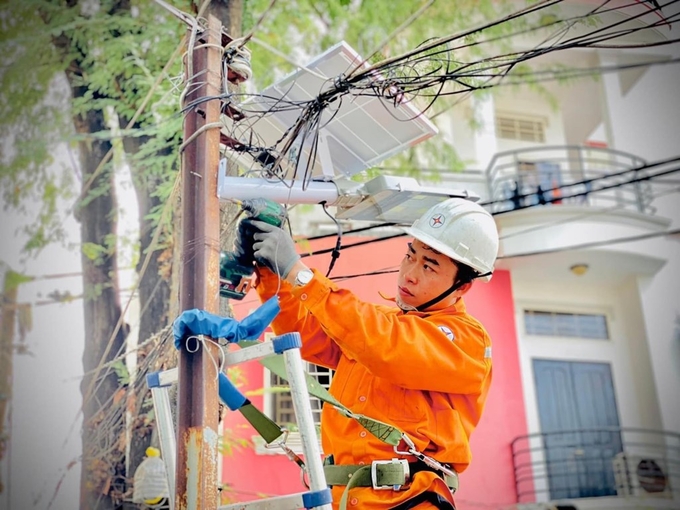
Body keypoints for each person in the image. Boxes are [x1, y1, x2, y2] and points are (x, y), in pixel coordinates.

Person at [239, 197, 499, 510]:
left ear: (462, 287)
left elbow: (387, 347)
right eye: (410, 256)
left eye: (429, 266)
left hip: (409, 501)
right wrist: (270, 271)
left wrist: (299, 273)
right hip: (341, 499)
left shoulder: (466, 341)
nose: (410, 274)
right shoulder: (373, 326)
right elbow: (305, 332)